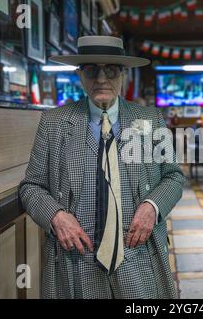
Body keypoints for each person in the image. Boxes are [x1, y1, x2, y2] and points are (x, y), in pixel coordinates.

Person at [18, 36, 186, 299]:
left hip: (138, 258)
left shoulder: (150, 120)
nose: (101, 78)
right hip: (75, 261)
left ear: (122, 74)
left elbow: (173, 176)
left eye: (110, 70)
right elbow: (31, 186)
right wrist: (56, 216)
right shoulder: (53, 122)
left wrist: (152, 206)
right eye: (91, 70)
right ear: (80, 75)